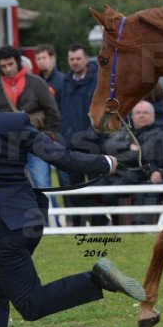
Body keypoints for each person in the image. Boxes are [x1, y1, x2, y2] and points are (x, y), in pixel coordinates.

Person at [0, 112, 146, 327]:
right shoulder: (12, 123)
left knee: (30, 303)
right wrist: (105, 163)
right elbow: (63, 158)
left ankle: (96, 278)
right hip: (24, 221)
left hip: (3, 233)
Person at [0, 45, 61, 189]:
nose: (8, 69)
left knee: (42, 185)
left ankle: (51, 213)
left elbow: (53, 112)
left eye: (11, 64)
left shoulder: (36, 83)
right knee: (12, 188)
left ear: (18, 62)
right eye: (3, 66)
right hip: (9, 148)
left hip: (36, 143)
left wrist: (45, 136)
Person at [57, 43, 104, 225]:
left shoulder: (98, 81)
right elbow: (59, 110)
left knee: (95, 186)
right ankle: (76, 226)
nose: (75, 62)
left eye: (78, 58)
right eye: (71, 59)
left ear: (86, 59)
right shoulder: (65, 83)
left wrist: (91, 135)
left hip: (93, 144)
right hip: (69, 145)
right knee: (73, 188)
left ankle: (99, 224)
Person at [101, 100, 163, 225]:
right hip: (115, 173)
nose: (141, 115)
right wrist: (128, 146)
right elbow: (108, 146)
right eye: (138, 112)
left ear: (153, 116)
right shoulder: (126, 130)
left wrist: (119, 155)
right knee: (85, 193)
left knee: (110, 195)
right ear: (132, 116)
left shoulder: (158, 133)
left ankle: (118, 226)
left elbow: (141, 155)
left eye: (145, 113)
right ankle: (99, 224)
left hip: (136, 174)